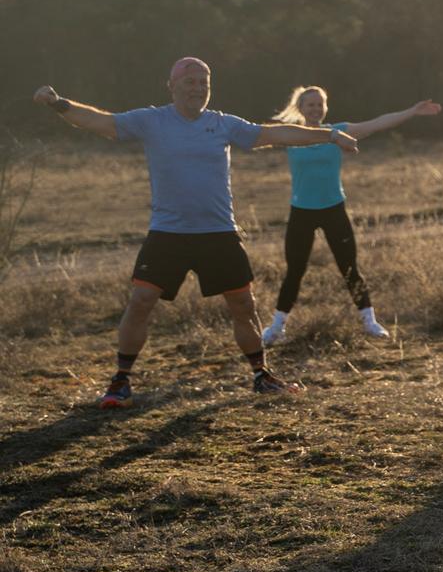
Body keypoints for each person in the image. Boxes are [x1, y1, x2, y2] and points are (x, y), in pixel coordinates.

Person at [33, 58, 356, 407]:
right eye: (189, 81)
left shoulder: (222, 124)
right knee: (140, 302)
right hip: (168, 232)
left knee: (243, 305)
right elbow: (102, 122)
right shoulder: (151, 120)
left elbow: (275, 133)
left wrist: (331, 135)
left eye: (204, 81)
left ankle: (262, 375)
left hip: (218, 232)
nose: (197, 87)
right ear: (171, 85)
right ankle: (120, 382)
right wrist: (58, 104)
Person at [257, 86, 441, 346]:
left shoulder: (339, 131)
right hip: (301, 212)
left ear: (326, 108)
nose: (315, 109)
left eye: (320, 104)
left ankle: (369, 322)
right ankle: (277, 327)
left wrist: (412, 111)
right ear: (300, 108)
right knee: (295, 271)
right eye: (310, 105)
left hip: (334, 209)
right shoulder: (292, 135)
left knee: (349, 268)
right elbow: (252, 135)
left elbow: (377, 123)